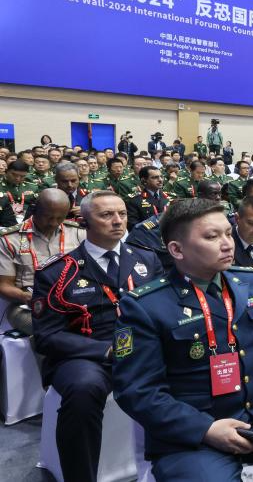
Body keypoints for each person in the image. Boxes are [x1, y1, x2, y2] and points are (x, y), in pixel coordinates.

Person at [113, 198, 253, 479]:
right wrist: (205, 429)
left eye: (228, 233)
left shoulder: (251, 281)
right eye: (212, 237)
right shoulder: (145, 306)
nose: (227, 244)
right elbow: (137, 391)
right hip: (193, 435)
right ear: (177, 249)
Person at [32, 190, 160, 482]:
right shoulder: (58, 271)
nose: (118, 221)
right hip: (89, 355)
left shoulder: (146, 259)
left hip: (144, 348)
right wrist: (106, 351)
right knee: (83, 389)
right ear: (84, 222)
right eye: (106, 215)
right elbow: (47, 335)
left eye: (122, 214)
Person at [0, 190, 86, 335]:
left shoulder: (78, 233)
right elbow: (4, 285)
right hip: (29, 305)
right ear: (34, 209)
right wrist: (25, 297)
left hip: (74, 301)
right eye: (48, 217)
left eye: (60, 218)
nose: (54, 223)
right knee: (46, 328)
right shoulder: (10, 239)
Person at [126, 166, 169, 230]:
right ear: (144, 181)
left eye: (161, 177)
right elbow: (133, 227)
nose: (160, 180)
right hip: (148, 234)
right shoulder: (135, 201)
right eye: (155, 177)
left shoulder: (171, 197)